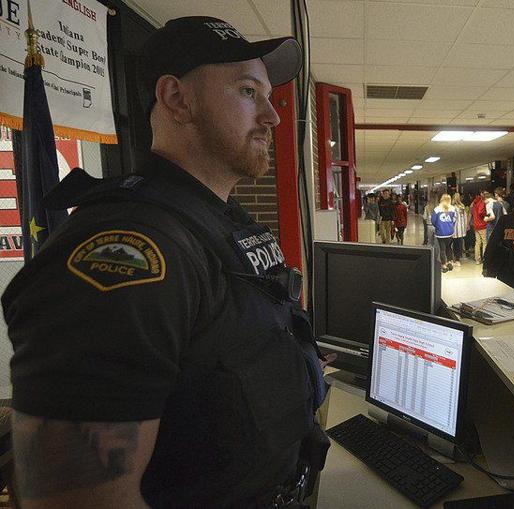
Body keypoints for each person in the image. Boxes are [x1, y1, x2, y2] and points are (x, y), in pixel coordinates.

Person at [2, 17, 332, 508]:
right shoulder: (127, 251)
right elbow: (79, 496)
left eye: (268, 96)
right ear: (177, 99)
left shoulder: (222, 223)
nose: (273, 117)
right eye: (247, 91)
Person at [432, 194, 457, 273]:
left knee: (442, 249)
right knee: (449, 247)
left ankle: (444, 265)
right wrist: (450, 226)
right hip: (449, 232)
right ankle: (450, 262)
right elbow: (454, 219)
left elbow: (433, 221)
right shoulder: (453, 208)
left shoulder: (437, 209)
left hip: (440, 233)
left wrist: (438, 226)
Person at [451, 192, 468, 266]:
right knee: (459, 244)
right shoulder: (462, 206)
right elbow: (465, 218)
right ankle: (458, 259)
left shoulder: (452, 208)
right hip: (461, 228)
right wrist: (465, 226)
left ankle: (453, 258)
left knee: (453, 244)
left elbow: (452, 219)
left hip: (454, 229)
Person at [471, 193, 488, 264]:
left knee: (477, 242)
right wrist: (486, 214)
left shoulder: (474, 203)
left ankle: (477, 259)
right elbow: (480, 212)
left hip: (476, 225)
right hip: (482, 225)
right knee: (484, 242)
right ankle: (485, 259)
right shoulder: (481, 202)